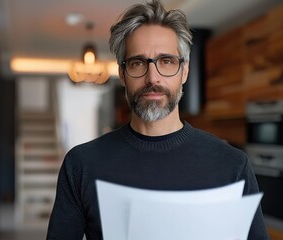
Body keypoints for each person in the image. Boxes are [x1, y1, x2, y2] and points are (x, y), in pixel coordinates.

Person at [47, 0, 269, 239]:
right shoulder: (81, 164)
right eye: (137, 63)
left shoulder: (232, 166)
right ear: (122, 74)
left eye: (167, 61)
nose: (153, 77)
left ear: (184, 71)